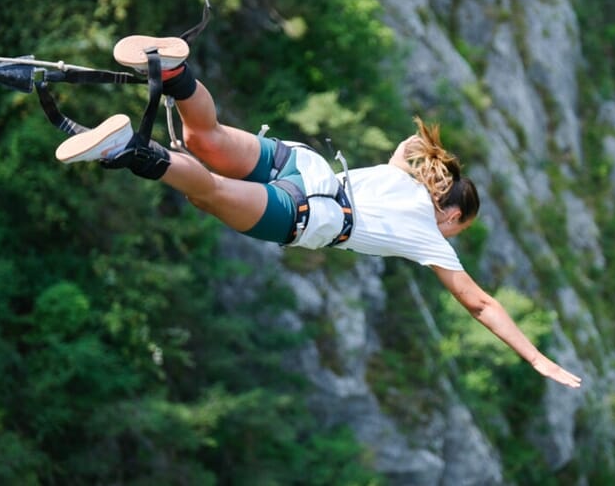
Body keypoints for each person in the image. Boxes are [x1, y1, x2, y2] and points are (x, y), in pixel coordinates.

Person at [56, 35, 582, 389]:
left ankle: (173, 71)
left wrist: (436, 166)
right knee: (209, 191)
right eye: (459, 228)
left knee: (206, 137)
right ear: (450, 217)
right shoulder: (431, 236)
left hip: (305, 166)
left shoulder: (403, 168)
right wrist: (534, 357)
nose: (455, 238)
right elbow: (481, 304)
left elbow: (406, 144)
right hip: (309, 213)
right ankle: (131, 151)